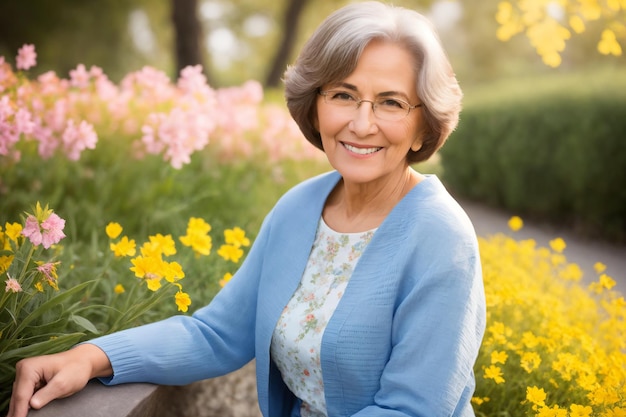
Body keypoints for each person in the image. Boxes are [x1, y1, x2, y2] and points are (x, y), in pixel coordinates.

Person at [8, 2, 486, 416]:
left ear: (425, 126)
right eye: (343, 94)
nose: (361, 123)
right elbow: (217, 334)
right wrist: (90, 356)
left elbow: (413, 410)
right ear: (315, 106)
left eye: (390, 102)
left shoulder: (441, 238)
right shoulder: (299, 209)